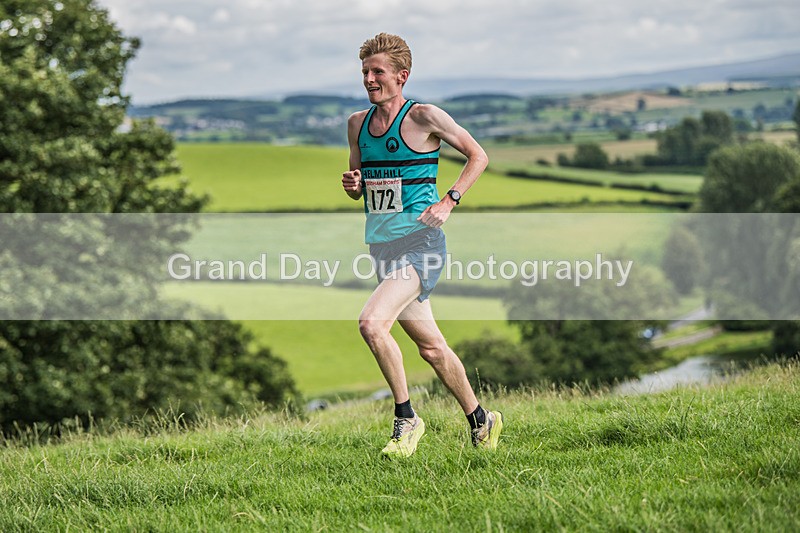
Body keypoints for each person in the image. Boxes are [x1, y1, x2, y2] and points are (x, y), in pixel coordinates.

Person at [341, 33, 503, 458]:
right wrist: (353, 185)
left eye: (378, 72)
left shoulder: (425, 116)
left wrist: (450, 200)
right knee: (431, 348)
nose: (369, 79)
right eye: (365, 72)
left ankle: (406, 418)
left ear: (402, 76)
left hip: (422, 244)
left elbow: (478, 155)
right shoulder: (357, 124)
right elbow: (360, 187)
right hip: (382, 248)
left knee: (372, 324)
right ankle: (481, 419)